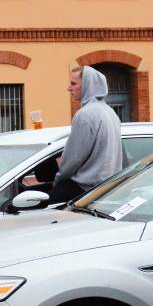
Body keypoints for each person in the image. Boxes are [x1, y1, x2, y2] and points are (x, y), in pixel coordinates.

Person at [48, 65, 123, 203]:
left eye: (73, 83)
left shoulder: (85, 115)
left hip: (85, 189)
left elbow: (73, 158)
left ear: (88, 85)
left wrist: (58, 180)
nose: (69, 88)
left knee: (41, 206)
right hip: (108, 187)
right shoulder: (110, 112)